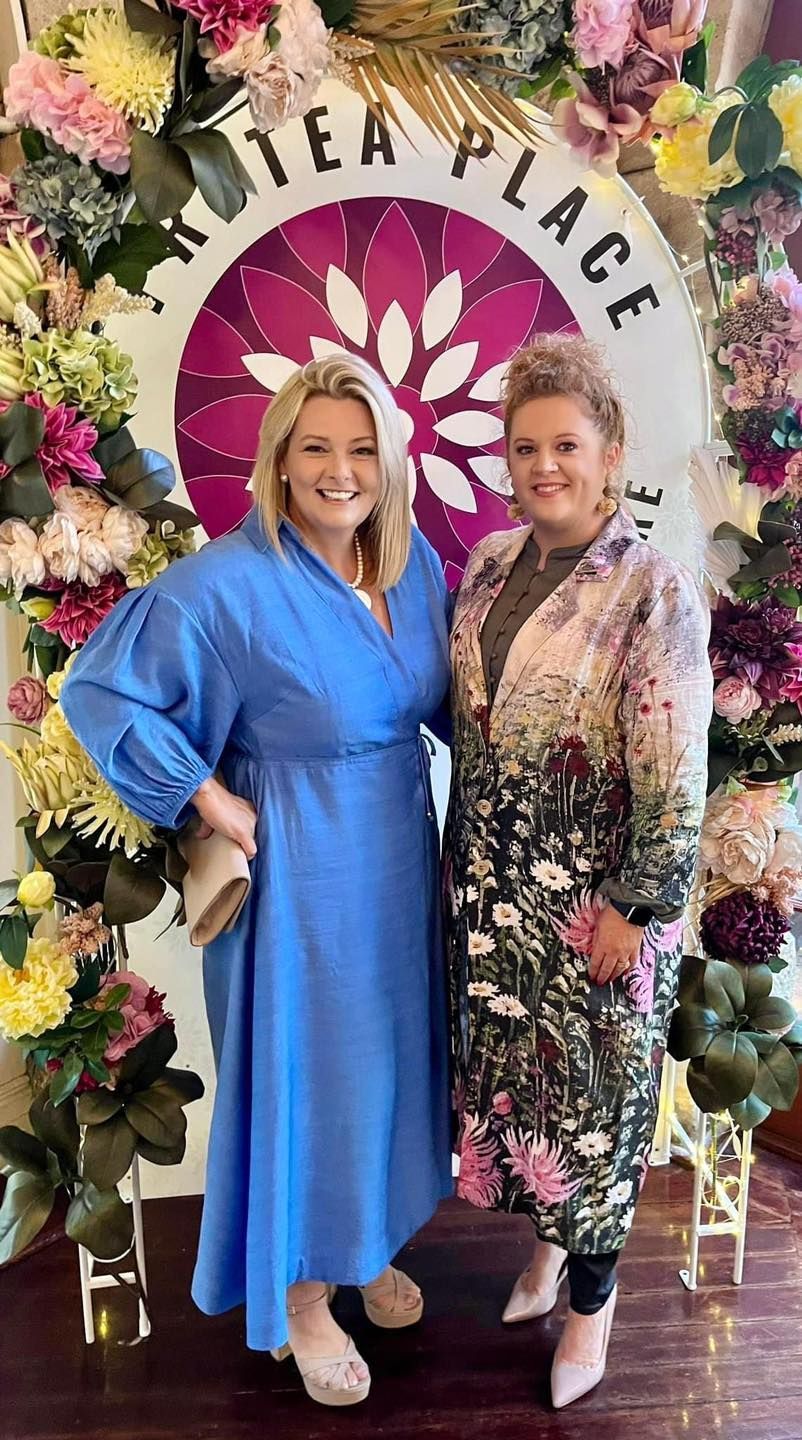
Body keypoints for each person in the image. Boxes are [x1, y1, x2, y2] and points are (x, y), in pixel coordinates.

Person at [61, 355, 454, 1408]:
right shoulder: (225, 583)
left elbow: (452, 706)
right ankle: (301, 1294)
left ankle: (361, 1245)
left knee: (383, 1071)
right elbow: (100, 693)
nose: (340, 470)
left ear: (390, 461)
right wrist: (206, 795)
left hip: (396, 863)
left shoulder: (412, 566)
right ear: (277, 463)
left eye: (361, 447)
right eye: (314, 448)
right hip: (298, 884)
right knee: (306, 1079)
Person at [444, 334, 712, 1409]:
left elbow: (675, 777)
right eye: (523, 446)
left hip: (595, 912)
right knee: (520, 1100)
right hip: (491, 901)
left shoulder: (655, 592)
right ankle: (545, 1255)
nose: (541, 464)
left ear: (608, 454)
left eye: (565, 444)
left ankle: (590, 1314)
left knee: (595, 1120)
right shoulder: (487, 565)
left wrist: (632, 909)